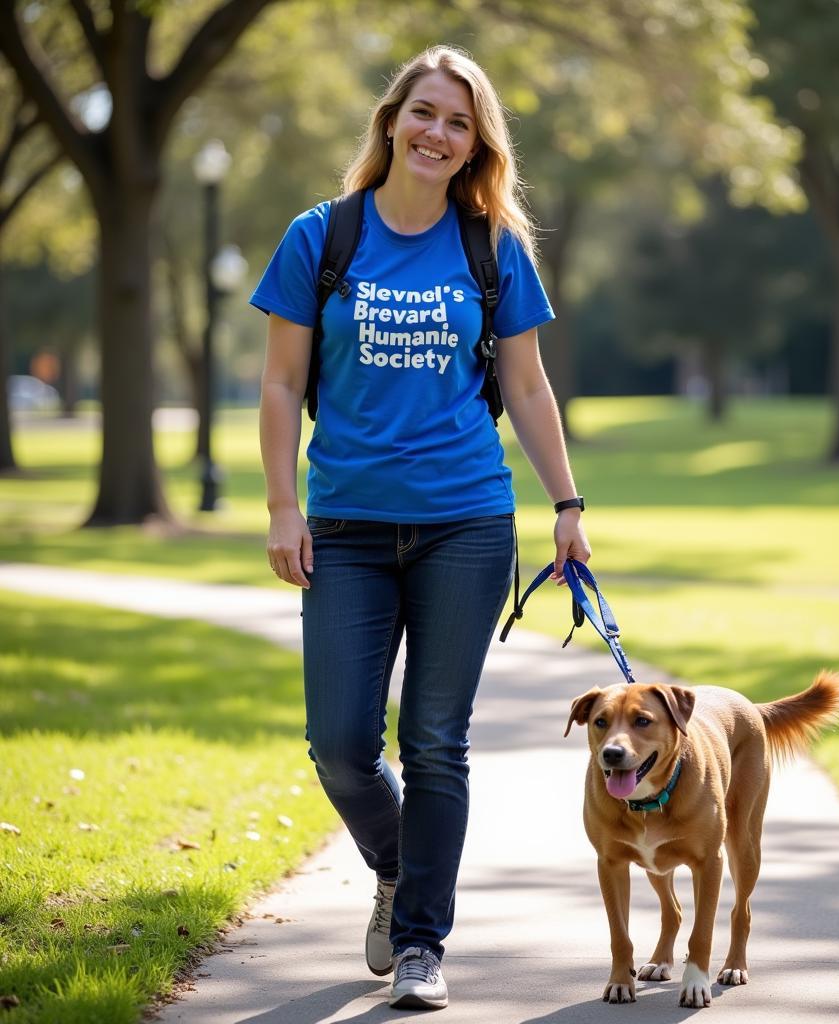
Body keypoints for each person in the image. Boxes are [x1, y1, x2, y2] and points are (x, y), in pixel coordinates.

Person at [251, 44, 589, 1011]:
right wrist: (283, 506)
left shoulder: (492, 249)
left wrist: (567, 506)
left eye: (459, 122)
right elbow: (278, 383)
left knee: (436, 739)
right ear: (391, 119)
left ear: (476, 144)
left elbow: (525, 384)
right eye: (425, 113)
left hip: (466, 524)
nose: (438, 134)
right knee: (341, 743)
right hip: (346, 527)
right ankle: (401, 869)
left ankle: (419, 945)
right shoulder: (323, 237)